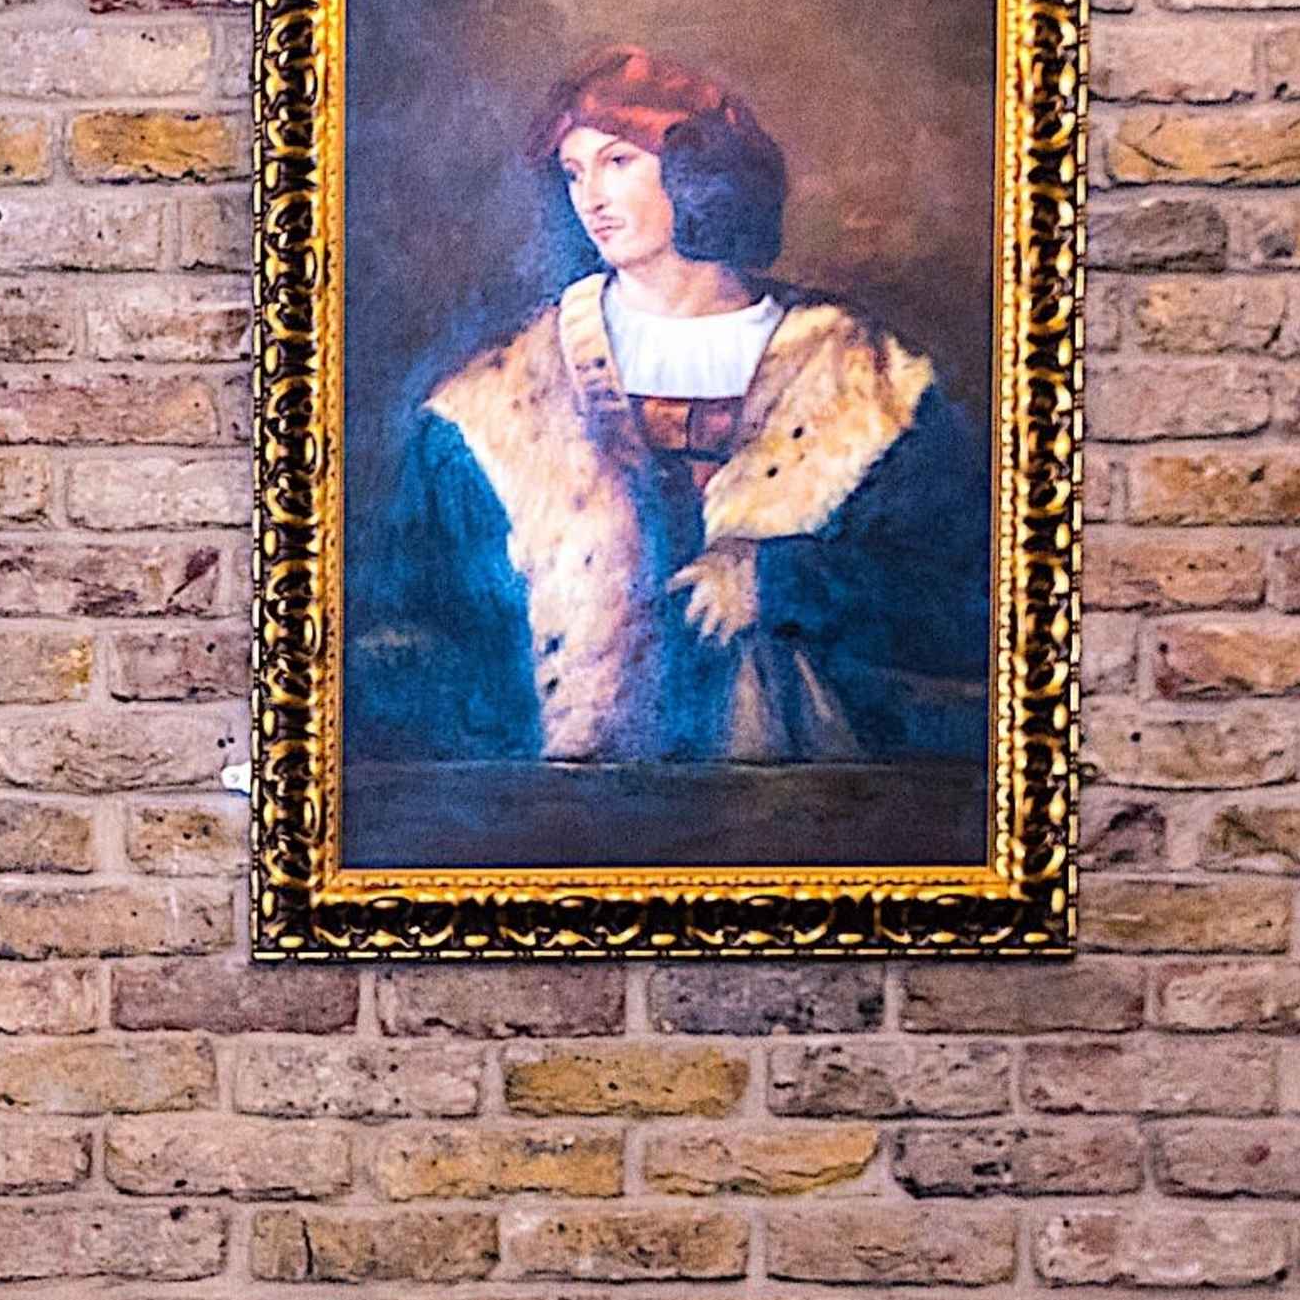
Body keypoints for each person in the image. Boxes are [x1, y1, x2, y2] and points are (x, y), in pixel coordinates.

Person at [349, 45, 985, 770]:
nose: (591, 196)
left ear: (700, 172)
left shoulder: (864, 378)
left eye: (619, 162)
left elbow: (968, 613)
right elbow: (416, 643)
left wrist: (783, 581)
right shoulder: (489, 408)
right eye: (574, 171)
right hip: (558, 818)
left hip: (807, 818)